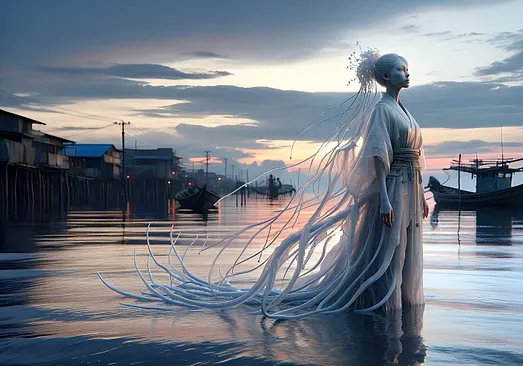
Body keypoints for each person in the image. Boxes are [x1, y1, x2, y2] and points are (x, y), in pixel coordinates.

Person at [98, 48, 429, 319]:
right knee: (387, 249)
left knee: (407, 247)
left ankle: (400, 305)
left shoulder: (405, 112)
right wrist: (384, 199)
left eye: (407, 68)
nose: (407, 73)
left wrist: (423, 198)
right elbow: (377, 156)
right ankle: (381, 305)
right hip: (395, 189)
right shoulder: (383, 110)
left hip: (410, 189)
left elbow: (413, 155)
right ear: (386, 77)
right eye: (401, 69)